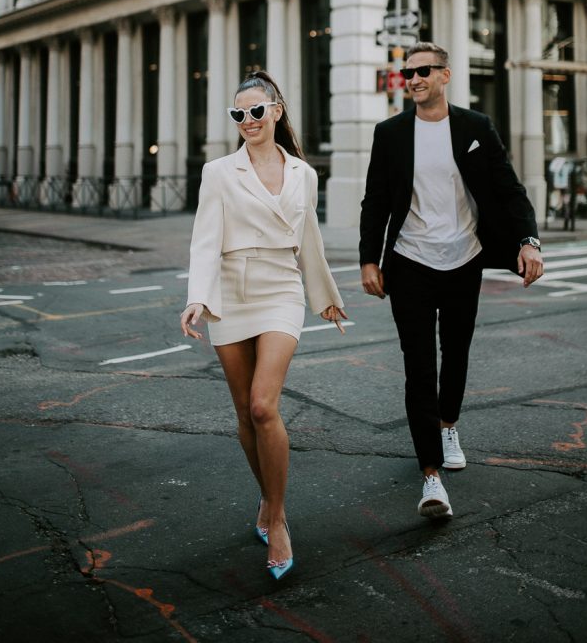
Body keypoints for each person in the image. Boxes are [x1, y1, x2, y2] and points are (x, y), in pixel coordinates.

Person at [359, 42, 543, 519]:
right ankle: (431, 477)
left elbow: (510, 189)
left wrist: (529, 241)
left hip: (465, 258)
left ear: (446, 75)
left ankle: (448, 425)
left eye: (423, 71)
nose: (414, 79)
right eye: (408, 73)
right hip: (410, 261)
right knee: (419, 365)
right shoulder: (392, 133)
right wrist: (368, 260)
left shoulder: (476, 127)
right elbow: (375, 201)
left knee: (456, 349)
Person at [180, 71, 347, 580]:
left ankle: (277, 520)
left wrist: (325, 296)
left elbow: (309, 240)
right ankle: (268, 498)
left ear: (276, 111)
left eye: (256, 112)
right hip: (229, 292)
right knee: (243, 413)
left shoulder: (303, 173)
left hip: (279, 288)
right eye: (238, 115)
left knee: (262, 405)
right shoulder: (218, 172)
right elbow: (205, 239)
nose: (248, 121)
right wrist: (197, 298)